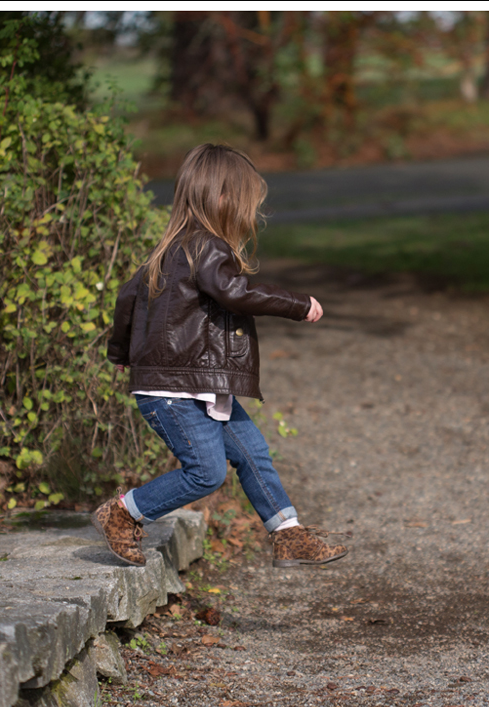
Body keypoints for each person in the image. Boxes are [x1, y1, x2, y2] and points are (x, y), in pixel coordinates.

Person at [92, 143, 348, 570]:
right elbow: (237, 292)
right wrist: (297, 305)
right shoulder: (205, 247)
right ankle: (123, 512)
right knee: (206, 473)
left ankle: (288, 535)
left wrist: (119, 351)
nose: (250, 214)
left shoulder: (169, 250)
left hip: (197, 383)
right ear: (224, 198)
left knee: (252, 453)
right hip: (175, 389)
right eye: (247, 202)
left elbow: (126, 300)